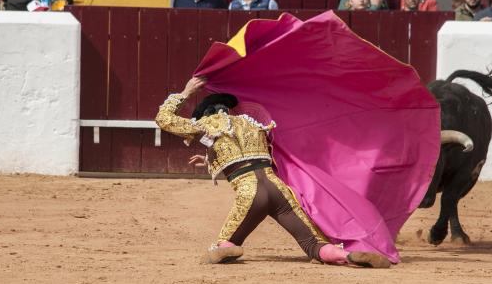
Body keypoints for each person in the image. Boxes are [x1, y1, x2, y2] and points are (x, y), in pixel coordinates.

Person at [155, 75, 391, 268]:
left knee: (223, 245)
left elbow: (164, 119)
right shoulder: (255, 124)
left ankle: (226, 248)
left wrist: (185, 92)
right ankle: (345, 256)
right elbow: (249, 155)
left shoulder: (206, 124)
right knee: (313, 243)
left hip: (250, 192)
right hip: (278, 189)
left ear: (207, 114)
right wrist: (210, 160)